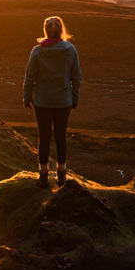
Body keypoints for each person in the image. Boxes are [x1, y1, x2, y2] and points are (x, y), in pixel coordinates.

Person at [22, 15, 81, 187]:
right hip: (63, 101)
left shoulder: (38, 51)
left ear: (46, 30)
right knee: (61, 136)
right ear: (61, 30)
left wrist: (27, 98)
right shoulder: (70, 50)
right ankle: (62, 174)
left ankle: (43, 174)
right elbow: (76, 77)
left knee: (44, 137)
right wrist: (75, 98)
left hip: (42, 102)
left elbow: (29, 77)